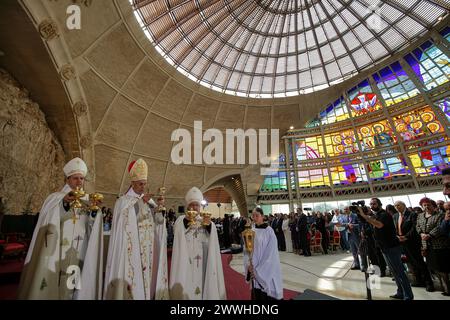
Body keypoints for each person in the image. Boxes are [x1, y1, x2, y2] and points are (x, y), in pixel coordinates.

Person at [18, 158, 104, 300]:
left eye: (81, 178)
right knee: (55, 282)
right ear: (67, 179)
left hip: (78, 250)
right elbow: (52, 219)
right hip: (58, 250)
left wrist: (94, 212)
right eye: (75, 178)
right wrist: (64, 203)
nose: (79, 182)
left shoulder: (86, 202)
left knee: (73, 283)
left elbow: (90, 226)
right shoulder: (56, 198)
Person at [104, 159, 168, 300]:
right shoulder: (123, 201)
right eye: (140, 184)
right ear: (132, 183)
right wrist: (140, 203)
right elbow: (124, 220)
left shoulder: (148, 201)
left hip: (148, 250)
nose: (143, 187)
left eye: (145, 184)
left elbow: (158, 223)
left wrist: (159, 211)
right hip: (131, 251)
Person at [169, 187, 226, 300]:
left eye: (197, 205)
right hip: (187, 259)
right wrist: (187, 221)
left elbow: (213, 237)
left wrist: (209, 226)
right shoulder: (181, 220)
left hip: (203, 259)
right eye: (192, 205)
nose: (194, 207)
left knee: (203, 280)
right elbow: (177, 230)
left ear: (200, 207)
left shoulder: (205, 220)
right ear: (188, 206)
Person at [357, 198, 413, 300]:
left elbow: (379, 225)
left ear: (379, 204)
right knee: (394, 272)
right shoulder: (376, 215)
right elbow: (370, 223)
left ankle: (408, 295)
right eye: (371, 204)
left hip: (392, 247)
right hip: (384, 247)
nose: (372, 205)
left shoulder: (384, 215)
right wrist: (363, 216)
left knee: (399, 272)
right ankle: (400, 292)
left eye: (374, 204)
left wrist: (364, 215)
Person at [393, 201, 434, 291]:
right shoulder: (395, 216)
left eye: (398, 205)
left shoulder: (412, 214)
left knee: (419, 262)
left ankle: (429, 283)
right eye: (395, 206)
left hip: (412, 242)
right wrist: (398, 237)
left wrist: (406, 237)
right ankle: (419, 280)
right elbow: (395, 227)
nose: (396, 207)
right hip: (402, 242)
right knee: (411, 262)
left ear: (404, 205)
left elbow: (414, 227)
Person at [244, 207, 283, 300]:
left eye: (257, 215)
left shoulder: (269, 231)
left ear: (262, 217)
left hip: (265, 271)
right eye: (253, 216)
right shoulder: (251, 231)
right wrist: (249, 266)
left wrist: (257, 271)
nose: (254, 217)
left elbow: (271, 253)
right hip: (253, 268)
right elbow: (247, 250)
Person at [416, 197, 450, 296]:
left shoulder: (440, 215)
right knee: (434, 267)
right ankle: (443, 287)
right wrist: (421, 233)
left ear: (433, 205)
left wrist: (430, 235)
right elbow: (417, 226)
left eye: (429, 205)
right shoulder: (420, 215)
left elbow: (440, 227)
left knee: (443, 268)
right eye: (424, 205)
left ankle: (448, 289)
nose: (427, 207)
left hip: (440, 245)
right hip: (427, 246)